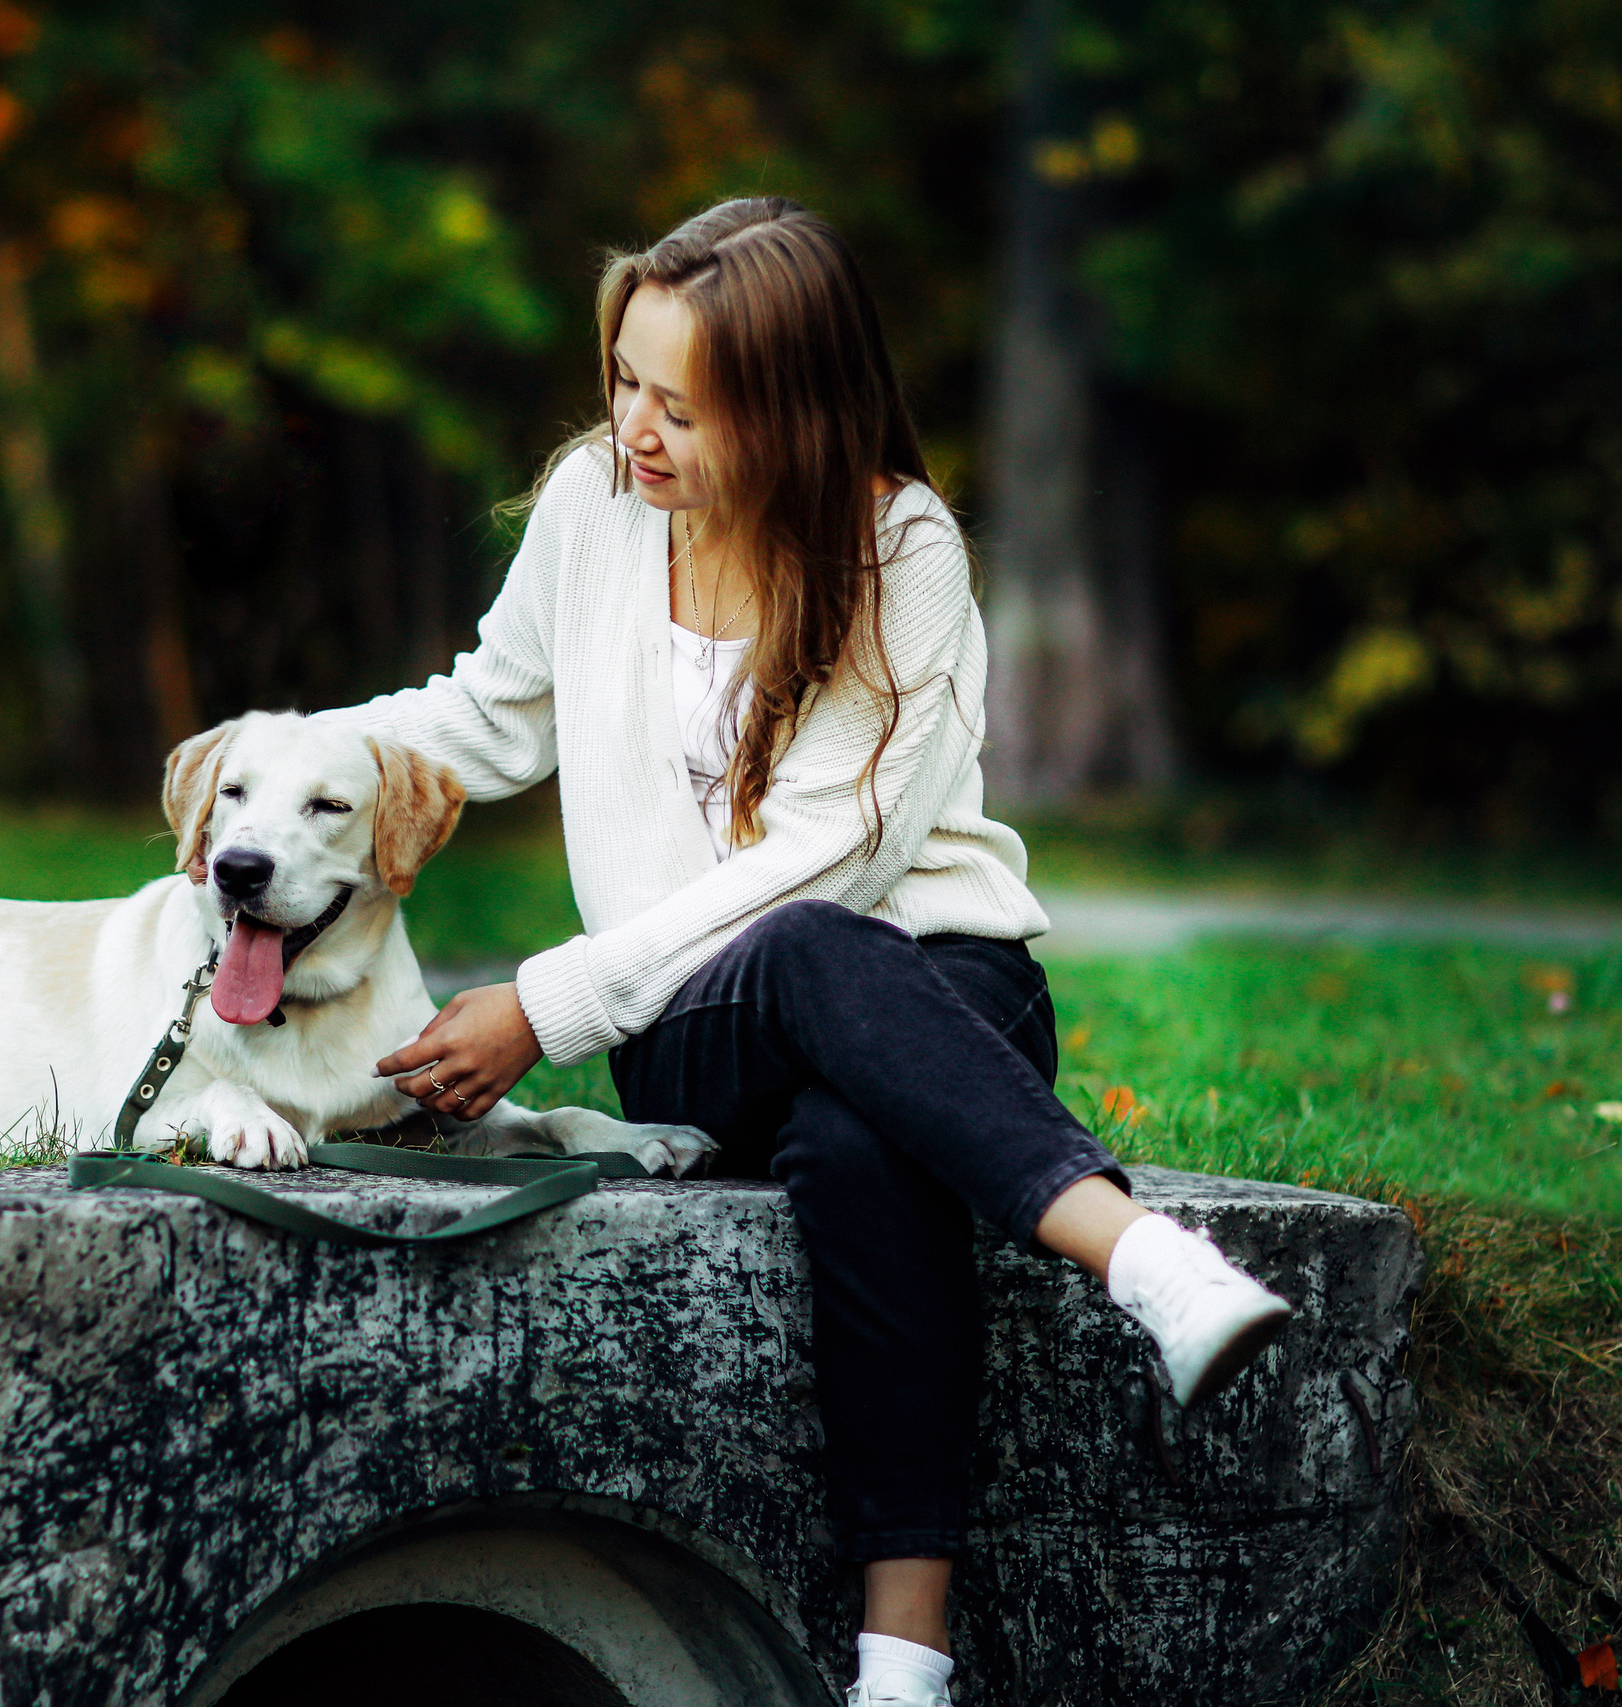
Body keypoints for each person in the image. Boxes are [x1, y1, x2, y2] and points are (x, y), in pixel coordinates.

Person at [332, 198, 1294, 1707]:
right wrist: (273, 768)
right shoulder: (597, 505)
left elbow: (834, 855)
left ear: (790, 412)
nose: (634, 431)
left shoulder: (899, 547)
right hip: (698, 1018)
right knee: (796, 960)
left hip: (940, 981)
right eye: (623, 381)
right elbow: (483, 714)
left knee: (857, 1128)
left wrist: (540, 1000)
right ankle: (1150, 1263)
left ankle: (899, 1673)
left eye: (683, 408)